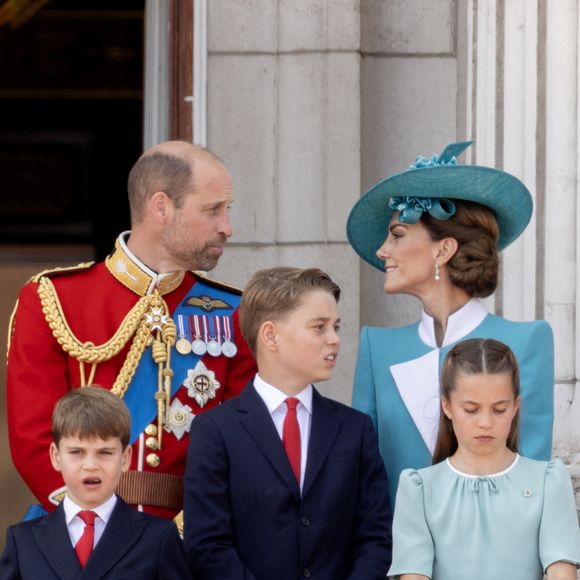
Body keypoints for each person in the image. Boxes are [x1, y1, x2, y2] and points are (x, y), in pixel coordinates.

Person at [6, 141, 257, 527]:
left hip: (187, 540)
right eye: (212, 210)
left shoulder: (230, 310)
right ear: (161, 207)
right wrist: (96, 523)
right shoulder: (54, 297)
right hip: (80, 532)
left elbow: (243, 442)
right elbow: (34, 438)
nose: (227, 226)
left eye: (227, 210)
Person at [346, 140, 554, 505]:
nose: (382, 251)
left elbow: (531, 483)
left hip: (497, 558)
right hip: (400, 560)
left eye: (396, 235)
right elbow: (365, 483)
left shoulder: (526, 342)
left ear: (443, 250)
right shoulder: (376, 348)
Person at [183, 267, 393, 579]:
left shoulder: (355, 429)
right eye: (319, 327)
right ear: (270, 335)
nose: (334, 340)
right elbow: (207, 543)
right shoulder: (215, 431)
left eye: (335, 327)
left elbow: (374, 538)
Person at [388, 338, 580, 580]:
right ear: (447, 406)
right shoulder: (420, 489)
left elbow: (562, 573)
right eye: (471, 409)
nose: (486, 423)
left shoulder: (547, 481)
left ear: (515, 406)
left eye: (499, 409)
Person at [0, 387, 192, 579]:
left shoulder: (158, 538)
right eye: (77, 452)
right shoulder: (22, 541)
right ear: (56, 456)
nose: (91, 466)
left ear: (125, 458)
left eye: (105, 453)